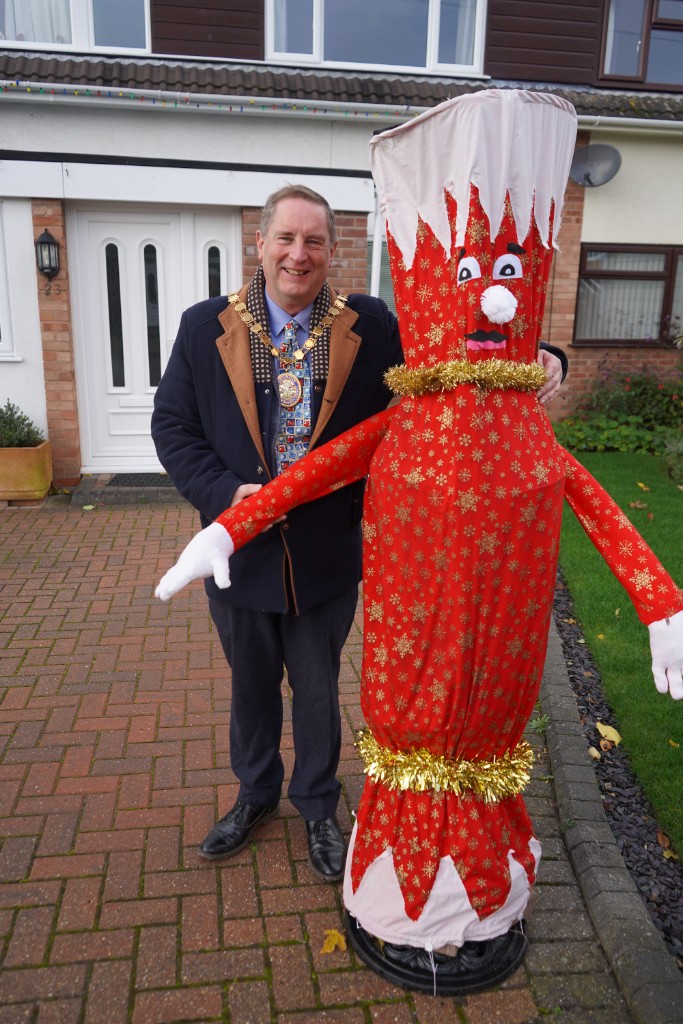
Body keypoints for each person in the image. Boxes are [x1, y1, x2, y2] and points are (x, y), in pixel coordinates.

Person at [151, 183, 567, 883]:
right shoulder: (203, 326)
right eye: (285, 238)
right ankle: (254, 794)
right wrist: (226, 495)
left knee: (316, 686)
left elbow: (451, 356)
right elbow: (174, 428)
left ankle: (317, 804)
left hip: (326, 548)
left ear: (333, 251)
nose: (298, 254)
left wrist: (539, 352)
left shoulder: (370, 323)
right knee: (250, 684)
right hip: (240, 549)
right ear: (259, 244)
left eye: (314, 241)